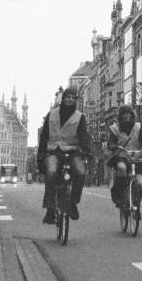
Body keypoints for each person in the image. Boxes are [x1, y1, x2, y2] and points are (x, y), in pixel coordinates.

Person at [37, 86, 92, 224]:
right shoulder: (51, 114)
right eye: (68, 97)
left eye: (73, 97)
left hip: (73, 152)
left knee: (80, 173)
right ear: (63, 98)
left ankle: (73, 203)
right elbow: (44, 136)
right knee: (51, 173)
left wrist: (86, 150)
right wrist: (41, 154)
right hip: (54, 151)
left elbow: (83, 135)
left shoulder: (80, 116)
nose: (70, 100)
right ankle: (50, 209)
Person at [107, 104, 142, 209]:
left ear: (132, 114)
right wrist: (112, 145)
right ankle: (117, 194)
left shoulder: (138, 127)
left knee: (140, 183)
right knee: (122, 168)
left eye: (128, 113)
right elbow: (111, 141)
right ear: (120, 116)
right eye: (124, 114)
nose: (127, 116)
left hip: (136, 158)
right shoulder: (115, 128)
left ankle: (136, 206)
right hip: (122, 157)